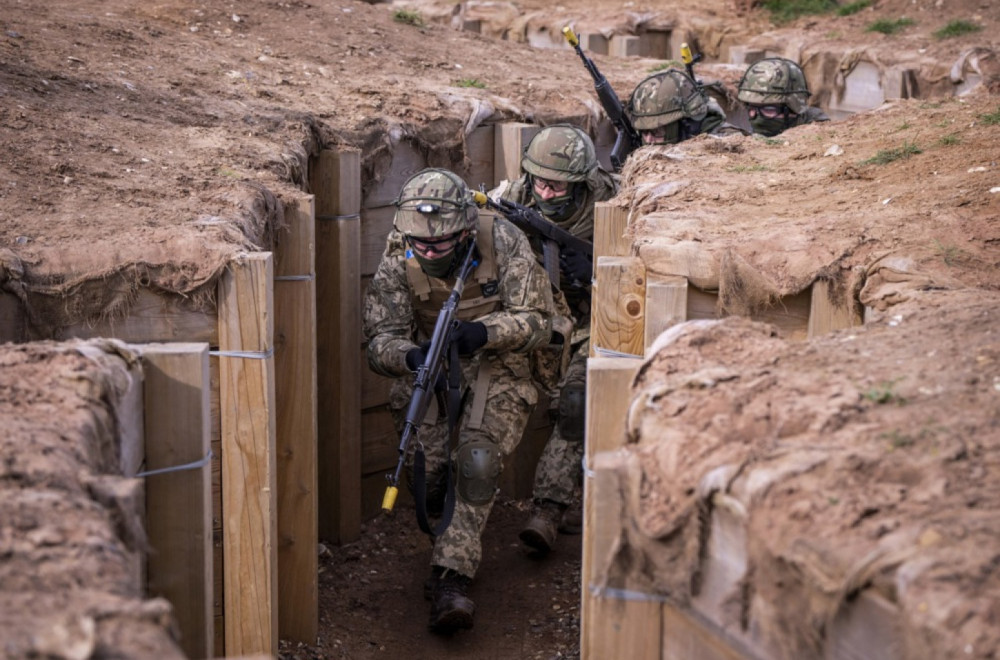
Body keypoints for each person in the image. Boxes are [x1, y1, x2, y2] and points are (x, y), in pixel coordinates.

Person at [363, 168, 553, 633]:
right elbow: (379, 342)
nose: (427, 252)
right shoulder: (398, 258)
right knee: (429, 474)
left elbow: (538, 321)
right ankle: (444, 519)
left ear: (466, 229)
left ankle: (451, 580)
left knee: (477, 461)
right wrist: (411, 355)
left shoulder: (503, 241)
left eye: (440, 243)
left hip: (499, 362)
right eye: (419, 243)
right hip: (430, 366)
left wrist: (485, 332)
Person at [490, 125, 619, 553]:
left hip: (590, 323)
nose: (545, 195)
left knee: (575, 403)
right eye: (540, 182)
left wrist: (598, 275)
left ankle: (548, 508)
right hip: (533, 319)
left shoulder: (613, 202)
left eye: (558, 185)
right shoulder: (513, 196)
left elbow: (639, 281)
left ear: (580, 182)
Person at [627, 68, 748, 145]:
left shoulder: (726, 142)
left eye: (657, 132)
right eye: (644, 132)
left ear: (686, 124)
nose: (648, 141)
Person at [737, 57, 830, 136]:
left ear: (794, 107)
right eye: (751, 108)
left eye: (768, 109)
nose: (756, 116)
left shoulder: (819, 131)